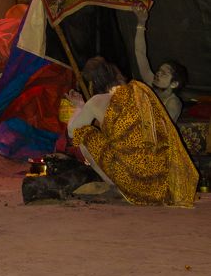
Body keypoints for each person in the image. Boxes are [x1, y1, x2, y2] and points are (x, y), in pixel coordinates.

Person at [66, 56, 198, 207]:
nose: (158, 74)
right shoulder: (141, 92)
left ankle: (116, 187)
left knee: (84, 134)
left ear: (93, 83)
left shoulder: (97, 101)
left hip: (132, 181)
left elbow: (72, 132)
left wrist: (79, 107)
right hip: (159, 184)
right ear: (119, 76)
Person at [133, 7, 187, 123]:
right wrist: (141, 23)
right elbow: (140, 53)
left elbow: (161, 128)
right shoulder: (151, 83)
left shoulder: (173, 103)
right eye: (159, 70)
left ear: (174, 84)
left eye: (164, 73)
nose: (158, 73)